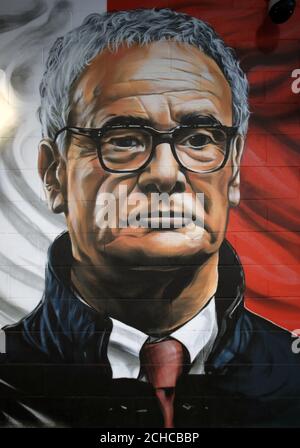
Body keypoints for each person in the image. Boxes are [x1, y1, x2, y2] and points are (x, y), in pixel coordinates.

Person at [0, 8, 299, 428]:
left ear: (233, 170)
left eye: (199, 139)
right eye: (122, 139)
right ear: (54, 175)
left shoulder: (294, 382)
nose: (164, 173)